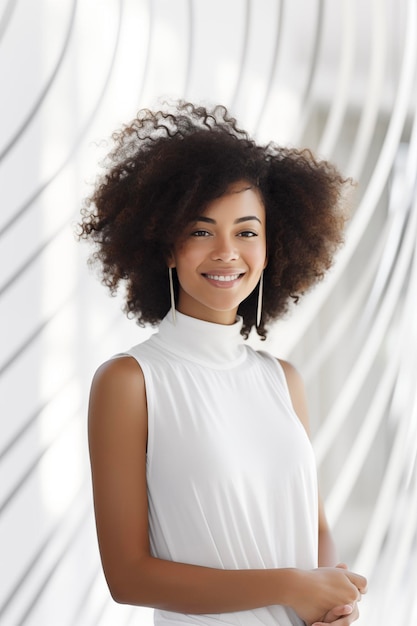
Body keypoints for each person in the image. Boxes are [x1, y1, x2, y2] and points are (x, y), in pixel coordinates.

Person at [78, 101, 367, 626]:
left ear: (273, 246)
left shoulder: (282, 380)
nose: (227, 252)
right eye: (201, 230)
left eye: (247, 231)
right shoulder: (130, 382)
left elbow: (315, 528)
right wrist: (294, 587)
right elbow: (129, 577)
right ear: (166, 246)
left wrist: (334, 599)